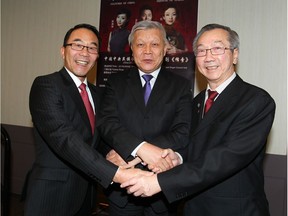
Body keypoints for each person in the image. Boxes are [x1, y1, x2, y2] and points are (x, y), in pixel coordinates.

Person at [121, 23, 276, 216]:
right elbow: (194, 145)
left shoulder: (256, 100)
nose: (208, 57)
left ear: (235, 54)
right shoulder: (196, 102)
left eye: (217, 48)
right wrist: (177, 157)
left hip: (236, 209)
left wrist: (161, 182)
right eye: (201, 51)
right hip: (194, 207)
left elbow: (227, 157)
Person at [24, 23, 150, 216]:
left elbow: (97, 136)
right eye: (77, 45)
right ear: (63, 51)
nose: (85, 53)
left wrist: (112, 154)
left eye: (92, 48)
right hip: (51, 196)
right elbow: (65, 139)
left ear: (97, 56)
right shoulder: (46, 86)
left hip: (86, 195)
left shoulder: (98, 94)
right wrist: (118, 174)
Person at [97, 20, 192, 216]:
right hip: (122, 188)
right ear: (131, 49)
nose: (147, 51)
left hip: (162, 187)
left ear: (165, 48)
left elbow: (182, 132)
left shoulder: (181, 86)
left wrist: (138, 151)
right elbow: (107, 124)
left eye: (155, 44)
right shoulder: (115, 82)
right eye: (140, 44)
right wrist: (140, 150)